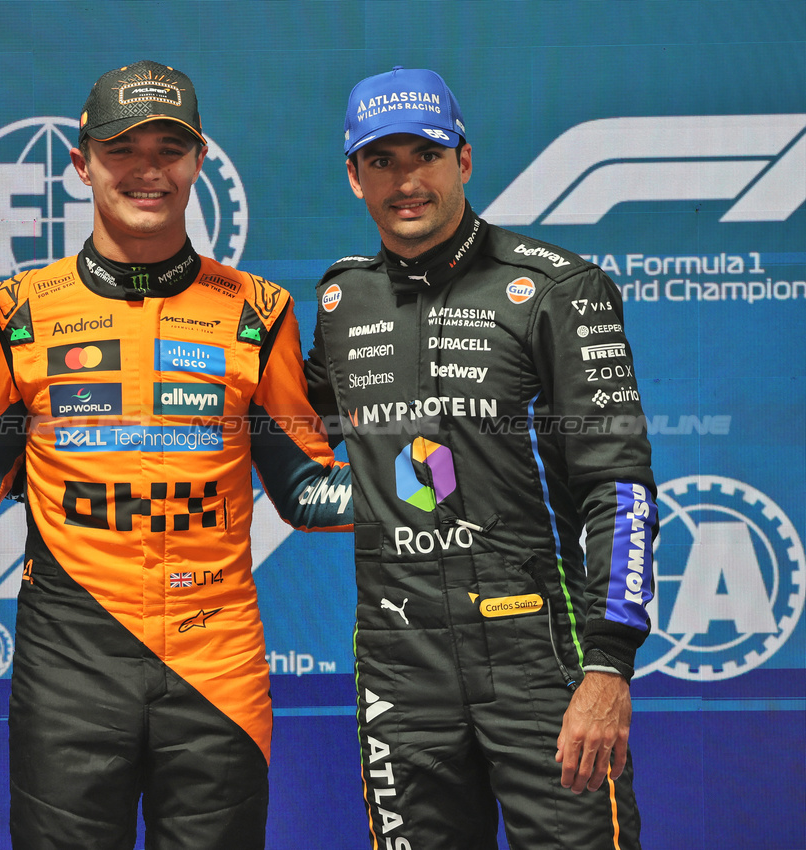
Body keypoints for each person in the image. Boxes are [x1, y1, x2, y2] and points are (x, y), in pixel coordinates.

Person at [0, 60, 353, 850]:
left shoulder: (260, 311)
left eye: (169, 147)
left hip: (217, 669)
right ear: (81, 161)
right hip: (69, 671)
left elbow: (306, 491)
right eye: (122, 147)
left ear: (200, 161)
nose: (147, 170)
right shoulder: (17, 308)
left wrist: (441, 482)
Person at [304, 66, 657, 849]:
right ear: (353, 175)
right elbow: (301, 440)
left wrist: (607, 667)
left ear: (462, 160)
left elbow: (619, 489)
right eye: (381, 161)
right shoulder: (339, 301)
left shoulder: (556, 287)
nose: (406, 181)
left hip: (540, 657)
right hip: (397, 664)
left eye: (424, 155)